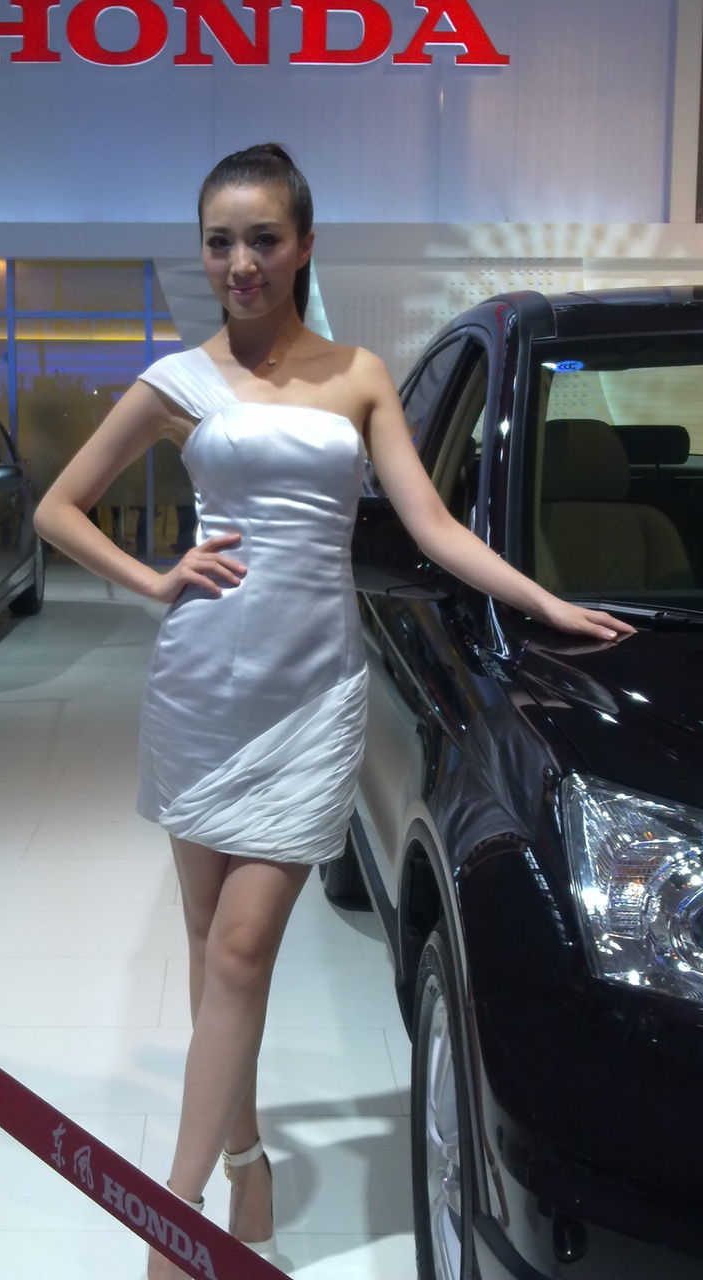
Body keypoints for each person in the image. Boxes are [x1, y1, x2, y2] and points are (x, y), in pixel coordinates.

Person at [33, 143, 636, 1279]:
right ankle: (246, 1156)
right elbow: (58, 508)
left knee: (242, 947)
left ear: (305, 244)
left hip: (312, 696)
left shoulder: (360, 376)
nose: (240, 262)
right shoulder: (178, 380)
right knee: (210, 945)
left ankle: (178, 1215)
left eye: (263, 238)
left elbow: (432, 528)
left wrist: (546, 598)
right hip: (202, 686)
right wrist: (154, 580)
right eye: (220, 241)